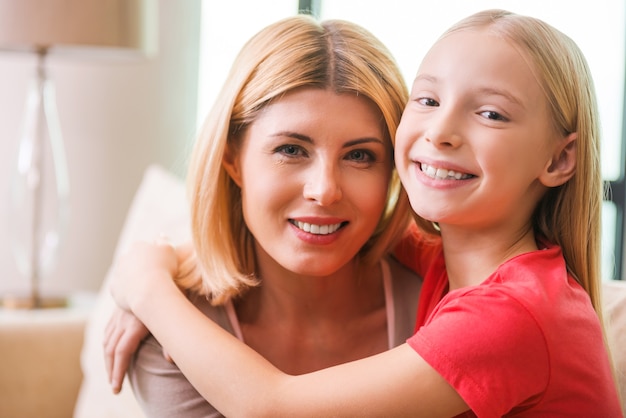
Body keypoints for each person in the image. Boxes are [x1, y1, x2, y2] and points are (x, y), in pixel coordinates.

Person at [110, 9, 622, 417]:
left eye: (490, 113)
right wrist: (164, 256)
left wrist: (146, 287)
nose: (441, 130)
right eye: (428, 99)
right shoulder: (449, 259)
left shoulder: (512, 314)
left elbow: (271, 407)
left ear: (558, 159)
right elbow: (332, 228)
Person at [104, 14, 439, 417]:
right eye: (292, 150)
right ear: (232, 157)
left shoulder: (443, 304)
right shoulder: (169, 326)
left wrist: (145, 287)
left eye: (359, 156)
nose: (325, 190)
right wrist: (149, 290)